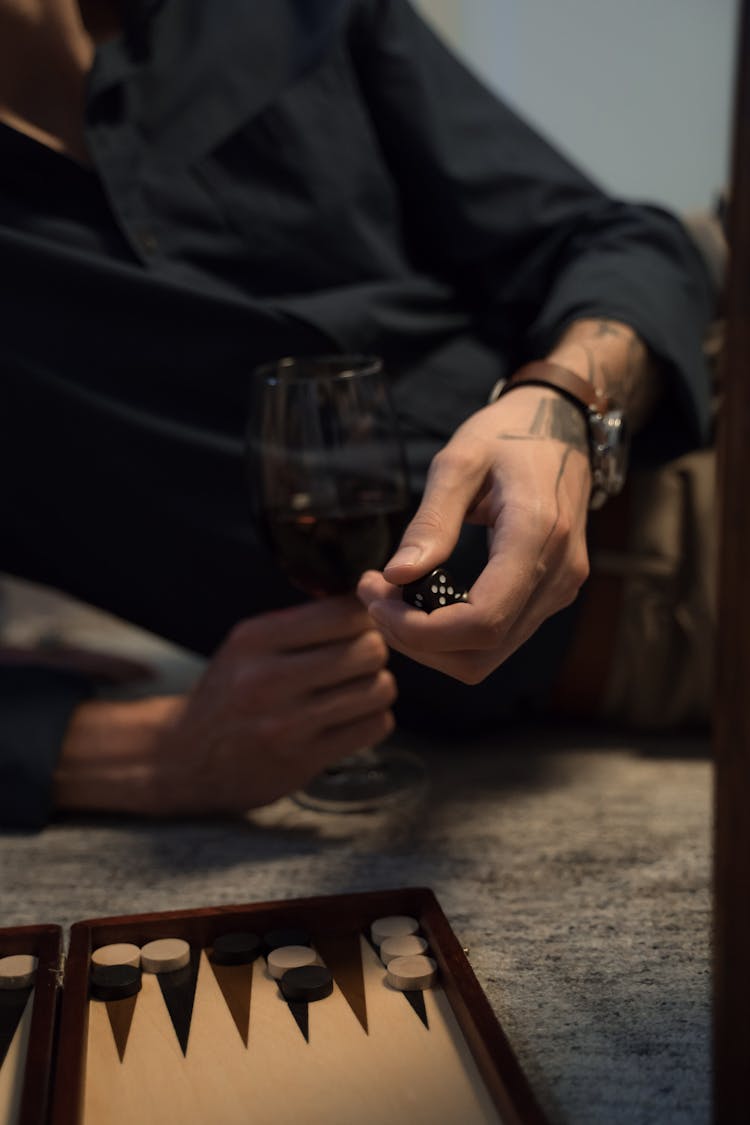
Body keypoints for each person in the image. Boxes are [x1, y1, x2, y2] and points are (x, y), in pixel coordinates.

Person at [0, 0, 715, 827]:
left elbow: (613, 239)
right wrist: (138, 750)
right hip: (626, 669)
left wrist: (562, 403)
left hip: (693, 468)